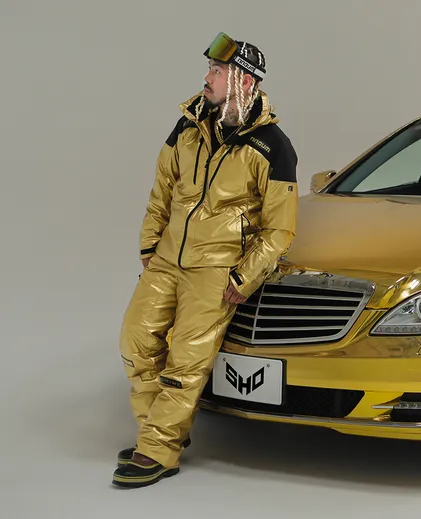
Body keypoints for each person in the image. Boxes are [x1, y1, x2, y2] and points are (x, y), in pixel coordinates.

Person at [112, 32, 298, 488]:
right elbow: (162, 191)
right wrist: (149, 246)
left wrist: (244, 277)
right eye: (210, 70)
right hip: (167, 259)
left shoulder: (273, 147)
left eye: (217, 72)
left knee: (185, 362)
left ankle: (158, 450)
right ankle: (161, 433)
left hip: (217, 270)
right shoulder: (188, 127)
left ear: (244, 81)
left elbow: (279, 230)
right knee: (135, 343)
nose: (207, 78)